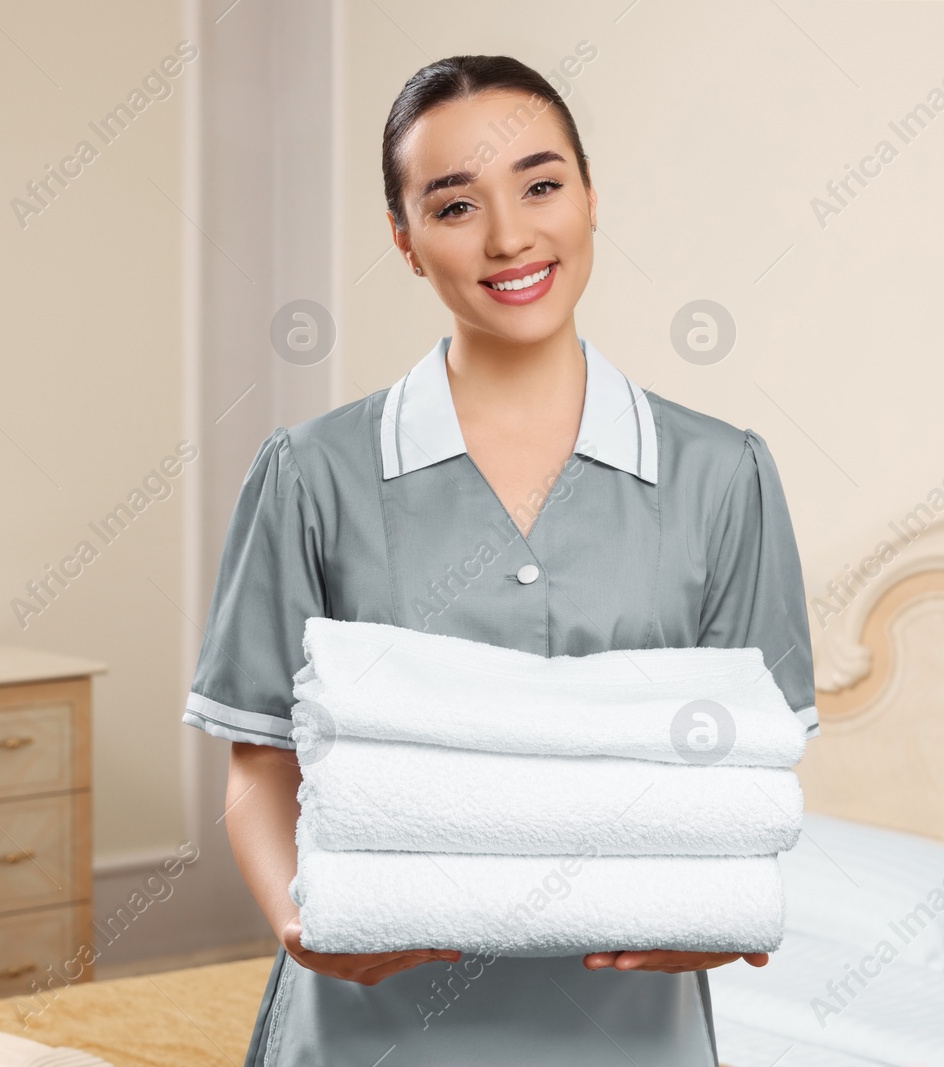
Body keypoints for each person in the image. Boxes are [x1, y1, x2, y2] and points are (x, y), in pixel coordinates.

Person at [182, 53, 818, 1067]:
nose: (510, 235)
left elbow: (750, 763)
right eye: (453, 205)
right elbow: (259, 759)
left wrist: (726, 911)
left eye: (540, 184)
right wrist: (300, 921)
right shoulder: (313, 472)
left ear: (589, 196)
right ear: (403, 239)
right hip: (366, 1026)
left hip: (630, 1035)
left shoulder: (721, 473)